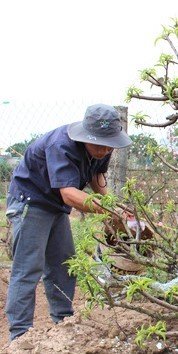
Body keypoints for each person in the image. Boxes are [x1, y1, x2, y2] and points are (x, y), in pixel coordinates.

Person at [4, 104, 132, 340]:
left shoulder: (102, 148)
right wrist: (108, 211)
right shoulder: (61, 145)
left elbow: (97, 176)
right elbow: (69, 194)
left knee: (64, 264)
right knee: (28, 267)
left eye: (109, 145)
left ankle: (63, 322)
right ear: (85, 136)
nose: (104, 150)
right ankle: (20, 335)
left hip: (54, 205)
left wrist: (114, 205)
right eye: (99, 144)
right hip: (31, 201)